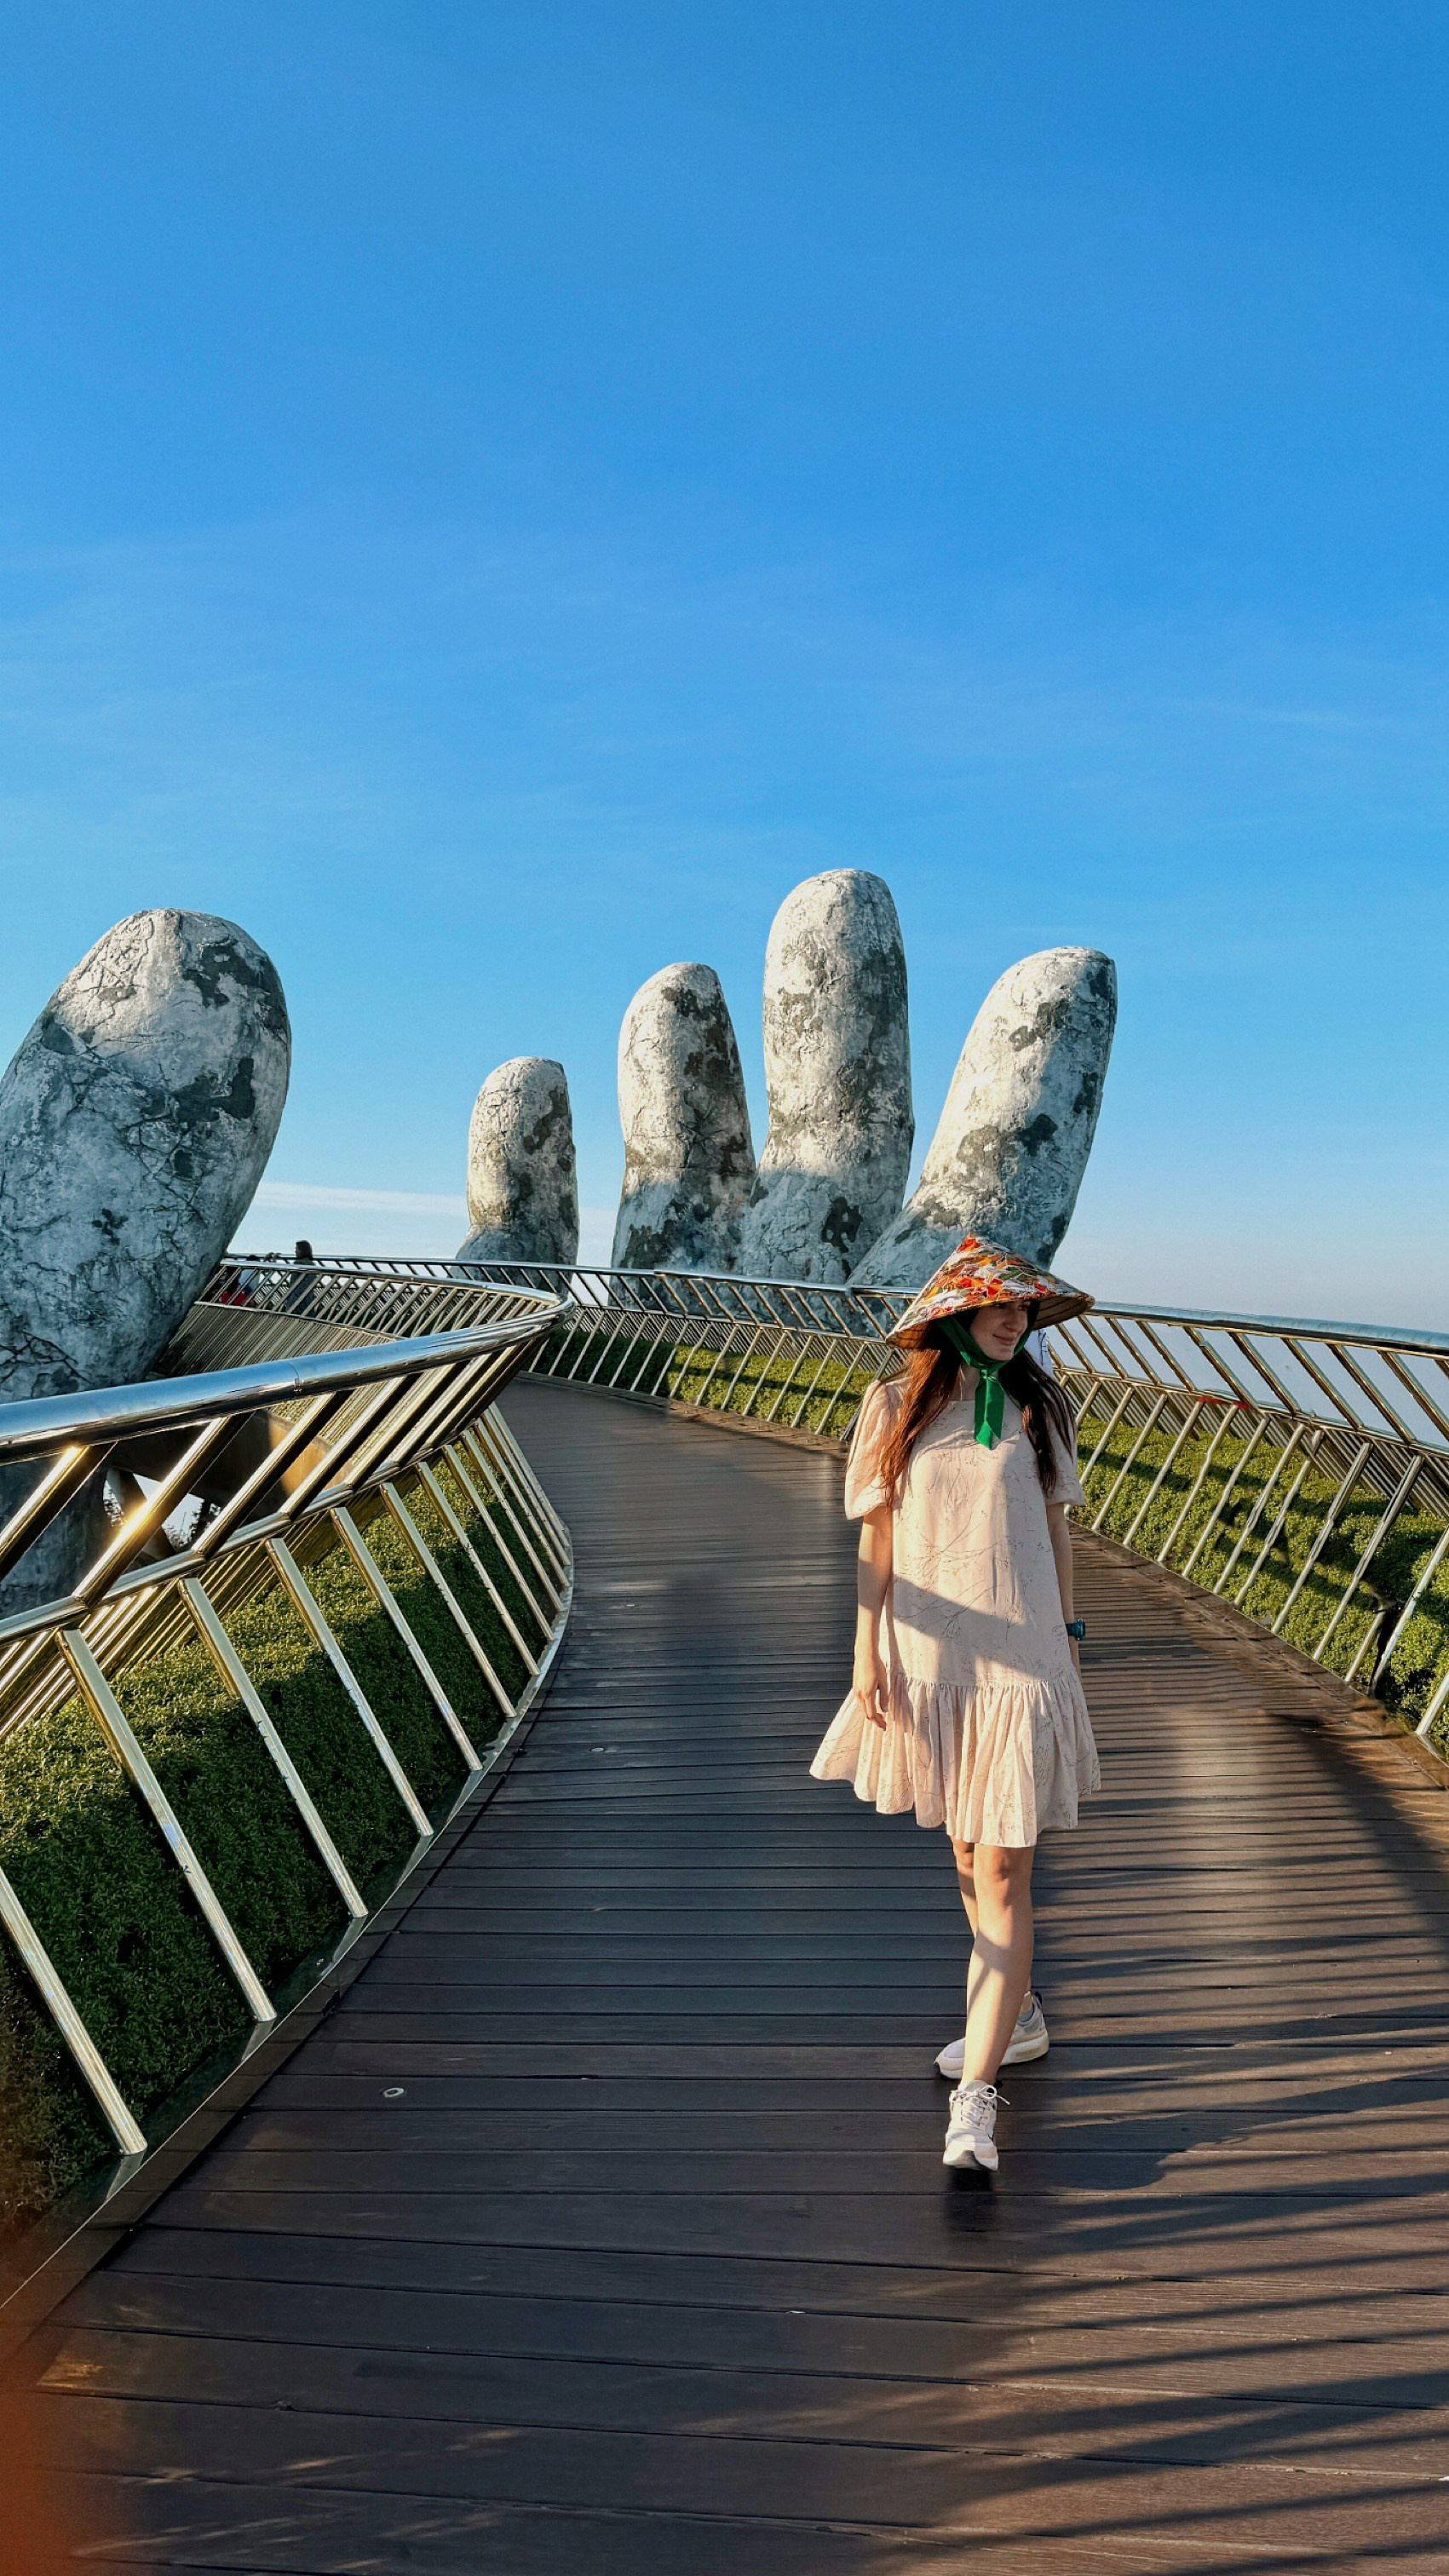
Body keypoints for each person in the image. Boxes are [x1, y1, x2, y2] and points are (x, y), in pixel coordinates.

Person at [810, 1234, 1099, 2175]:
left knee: (1007, 1875)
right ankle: (1019, 2015)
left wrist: (1067, 1642)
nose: (1016, 1318)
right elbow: (877, 1539)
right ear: (954, 1316)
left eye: (1023, 1308)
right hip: (931, 1658)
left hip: (1021, 1663)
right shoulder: (891, 1405)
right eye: (998, 1306)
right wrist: (866, 1649)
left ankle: (975, 2104)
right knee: (969, 1860)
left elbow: (1057, 1532)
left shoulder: (1038, 1408)